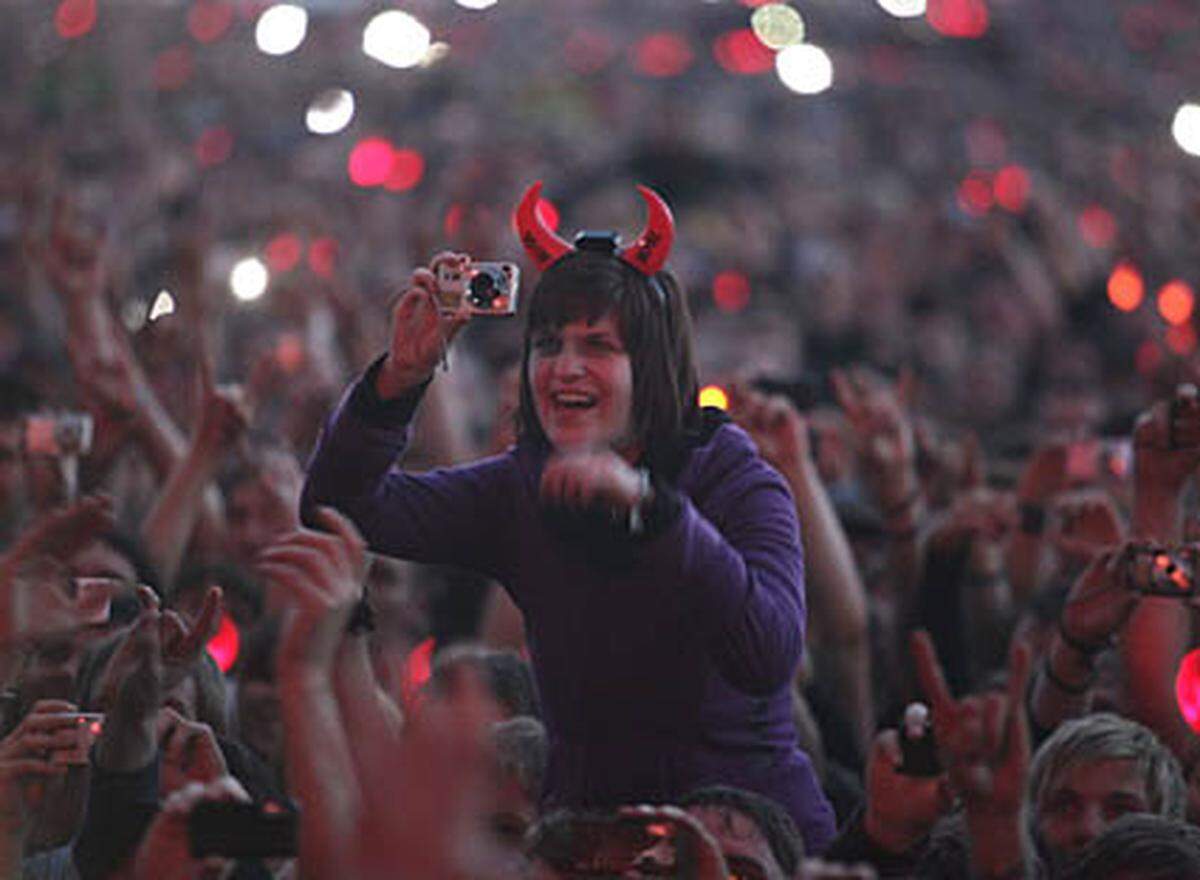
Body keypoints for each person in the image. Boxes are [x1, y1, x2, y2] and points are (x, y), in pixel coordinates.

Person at [301, 181, 836, 852]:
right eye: (548, 345)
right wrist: (399, 379)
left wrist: (655, 514)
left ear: (654, 369)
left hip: (738, 847)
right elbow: (340, 509)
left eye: (598, 347)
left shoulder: (740, 483)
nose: (564, 369)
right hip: (593, 846)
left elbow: (768, 653)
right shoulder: (525, 486)